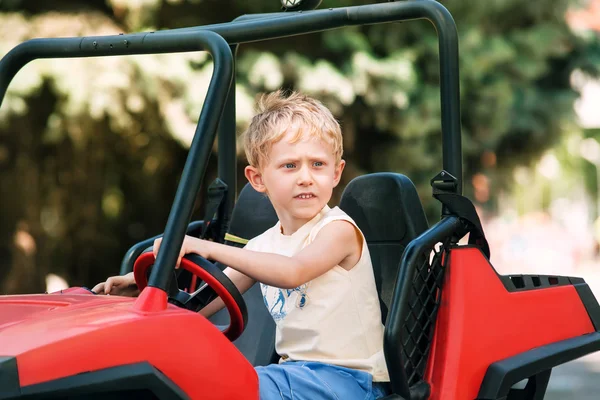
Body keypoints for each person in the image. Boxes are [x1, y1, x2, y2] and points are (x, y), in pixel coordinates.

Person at [93, 90, 391, 399]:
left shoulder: (338, 230)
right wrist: (144, 289)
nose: (306, 177)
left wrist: (205, 247)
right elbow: (200, 305)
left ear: (336, 173)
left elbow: (292, 271)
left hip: (349, 381)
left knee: (233, 385)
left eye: (317, 164)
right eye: (290, 166)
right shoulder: (263, 244)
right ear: (258, 179)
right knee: (191, 379)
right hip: (295, 375)